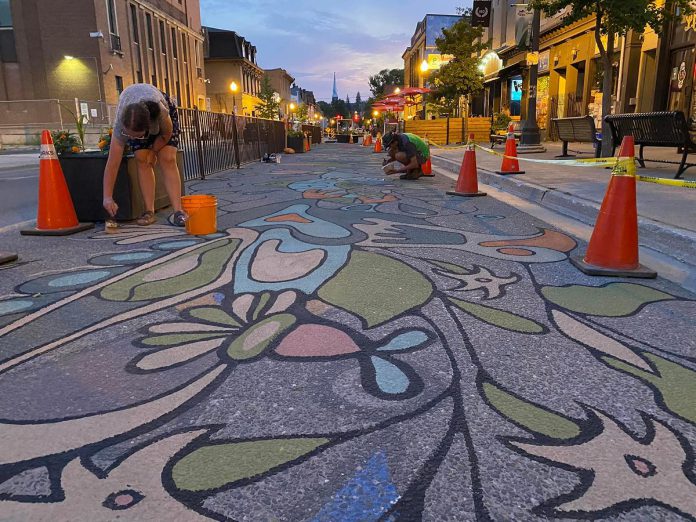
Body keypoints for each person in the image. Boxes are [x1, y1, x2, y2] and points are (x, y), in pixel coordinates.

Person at [102, 84, 186, 226]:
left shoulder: (160, 112)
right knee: (142, 159)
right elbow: (113, 163)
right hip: (135, 111)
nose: (132, 138)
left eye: (138, 137)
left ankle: (178, 211)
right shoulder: (121, 127)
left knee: (167, 158)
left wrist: (153, 151)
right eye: (129, 135)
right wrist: (107, 197)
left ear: (149, 128)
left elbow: (166, 134)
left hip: (160, 111)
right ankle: (149, 211)